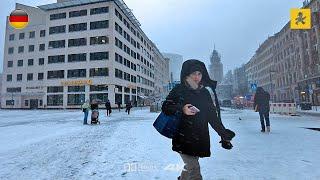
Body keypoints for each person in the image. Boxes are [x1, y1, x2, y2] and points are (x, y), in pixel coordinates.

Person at [161, 59, 235, 180]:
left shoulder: (204, 92)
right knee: (194, 170)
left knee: (190, 167)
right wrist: (182, 108)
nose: (196, 77)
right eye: (193, 73)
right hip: (183, 137)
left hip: (199, 137)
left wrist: (223, 133)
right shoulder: (179, 89)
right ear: (187, 74)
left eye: (199, 74)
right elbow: (166, 107)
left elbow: (212, 116)